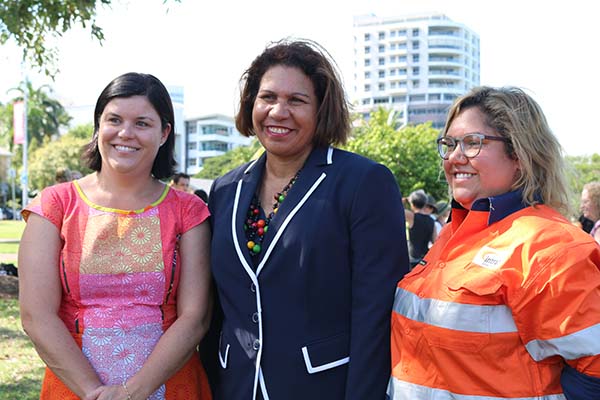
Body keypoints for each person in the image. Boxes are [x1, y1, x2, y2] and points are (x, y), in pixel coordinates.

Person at [205, 39, 409, 400]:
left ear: (321, 110)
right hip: (235, 386)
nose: (278, 111)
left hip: (322, 387)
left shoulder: (363, 182)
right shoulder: (225, 189)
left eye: (296, 101)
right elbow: (218, 308)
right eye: (267, 97)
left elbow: (375, 313)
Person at [388, 86, 600, 399]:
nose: (455, 157)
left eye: (473, 143)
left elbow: (594, 373)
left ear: (520, 155)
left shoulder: (551, 247)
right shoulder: (452, 234)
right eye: (449, 144)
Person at [18, 72, 213, 400]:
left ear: (164, 133)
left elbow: (195, 317)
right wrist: (95, 392)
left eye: (142, 123)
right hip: (74, 387)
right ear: (98, 126)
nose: (126, 133)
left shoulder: (189, 211)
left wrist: (133, 392)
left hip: (171, 384)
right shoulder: (54, 206)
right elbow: (36, 316)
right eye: (114, 120)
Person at [403, 189, 436, 268]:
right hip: (425, 258)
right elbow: (435, 241)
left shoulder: (412, 217)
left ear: (412, 204)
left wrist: (404, 200)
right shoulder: (432, 220)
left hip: (413, 259)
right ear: (425, 203)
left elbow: (396, 209)